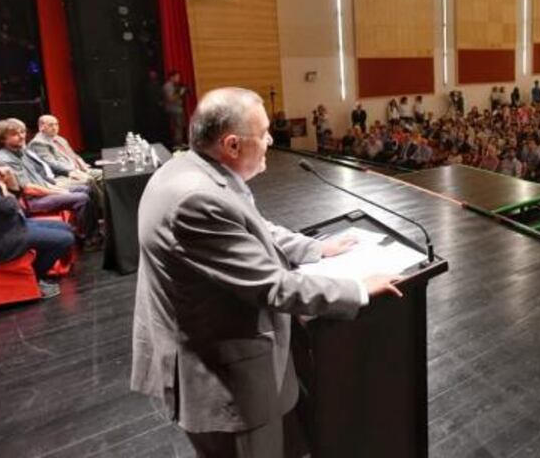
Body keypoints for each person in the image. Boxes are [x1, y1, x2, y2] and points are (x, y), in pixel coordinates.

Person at [131, 88, 403, 457]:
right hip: (222, 379)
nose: (271, 140)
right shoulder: (197, 199)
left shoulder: (192, 170)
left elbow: (253, 226)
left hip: (213, 354)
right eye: (263, 133)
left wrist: (316, 247)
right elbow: (272, 286)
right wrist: (357, 288)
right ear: (231, 145)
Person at [0, 139, 75, 298]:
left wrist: (9, 180)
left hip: (8, 224)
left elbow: (13, 199)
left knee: (65, 228)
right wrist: (4, 188)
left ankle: (37, 270)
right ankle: (34, 278)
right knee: (64, 239)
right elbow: (11, 207)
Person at [163, 70, 187, 148]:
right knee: (177, 127)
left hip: (178, 108)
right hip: (173, 109)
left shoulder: (175, 86)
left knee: (180, 126)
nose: (178, 79)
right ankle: (177, 144)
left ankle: (179, 143)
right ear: (171, 77)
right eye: (176, 77)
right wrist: (180, 93)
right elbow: (170, 98)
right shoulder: (168, 86)